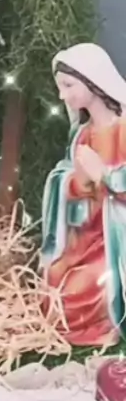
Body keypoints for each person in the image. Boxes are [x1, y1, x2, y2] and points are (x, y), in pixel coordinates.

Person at [41, 42, 126, 347]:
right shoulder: (82, 134)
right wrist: (75, 182)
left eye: (68, 85)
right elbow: (68, 179)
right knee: (52, 281)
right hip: (87, 234)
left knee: (76, 292)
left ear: (92, 82)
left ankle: (106, 326)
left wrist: (104, 175)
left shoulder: (123, 128)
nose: (62, 95)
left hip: (116, 240)